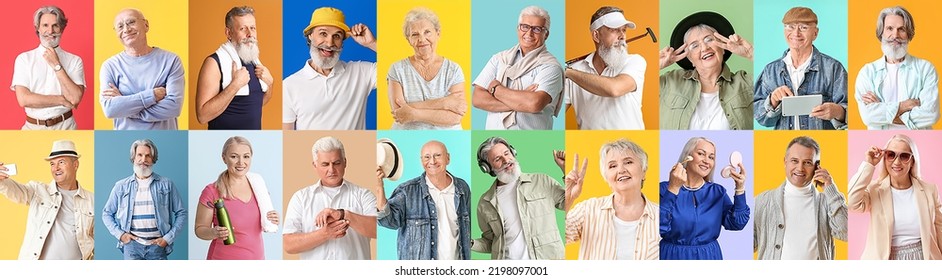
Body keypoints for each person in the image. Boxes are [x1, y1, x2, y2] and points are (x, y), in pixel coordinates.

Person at [471, 137, 571, 259]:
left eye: (507, 153)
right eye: (497, 159)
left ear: (513, 152)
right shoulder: (485, 203)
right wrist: (471, 243)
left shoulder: (542, 181)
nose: (506, 160)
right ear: (488, 168)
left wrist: (566, 170)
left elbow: (571, 203)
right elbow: (492, 242)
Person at [848, 134, 942, 259]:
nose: (897, 162)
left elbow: (940, 229)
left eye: (904, 156)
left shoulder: (929, 190)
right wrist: (868, 164)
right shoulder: (875, 190)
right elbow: (851, 202)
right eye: (891, 155)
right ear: (884, 158)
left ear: (913, 161)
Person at [754, 7, 848, 130]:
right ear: (784, 31)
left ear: (815, 33)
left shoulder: (834, 68)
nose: (796, 33)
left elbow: (855, 113)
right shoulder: (770, 71)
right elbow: (759, 116)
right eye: (790, 27)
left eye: (803, 27)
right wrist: (772, 100)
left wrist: (839, 112)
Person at [282, 137, 377, 260]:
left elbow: (379, 229)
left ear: (345, 162)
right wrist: (324, 234)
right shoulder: (300, 198)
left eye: (336, 163)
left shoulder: (363, 195)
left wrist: (344, 215)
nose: (331, 170)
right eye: (325, 164)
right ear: (315, 165)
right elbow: (288, 244)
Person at [283, 7, 377, 130]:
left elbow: (398, 68)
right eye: (323, 33)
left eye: (337, 36)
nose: (329, 43)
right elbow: (287, 139)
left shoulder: (362, 73)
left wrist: (372, 43)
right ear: (310, 35)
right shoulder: (289, 85)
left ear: (342, 42)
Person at [753, 136, 847, 260]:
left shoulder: (827, 202)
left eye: (807, 162)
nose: (800, 168)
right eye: (794, 161)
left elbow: (846, 232)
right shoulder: (763, 201)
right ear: (785, 162)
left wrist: (831, 190)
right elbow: (746, 244)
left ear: (817, 166)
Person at [375, 140, 471, 260]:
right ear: (421, 161)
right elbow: (388, 220)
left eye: (437, 155)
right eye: (427, 157)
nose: (432, 161)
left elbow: (467, 229)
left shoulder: (462, 188)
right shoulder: (407, 191)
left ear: (448, 158)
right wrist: (379, 187)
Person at [471, 6, 563, 130]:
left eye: (537, 29)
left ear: (546, 34)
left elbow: (534, 103)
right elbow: (477, 99)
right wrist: (521, 101)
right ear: (518, 29)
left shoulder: (551, 67)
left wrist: (496, 90)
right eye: (525, 27)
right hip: (494, 139)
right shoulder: (499, 59)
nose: (529, 33)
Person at [565, 139, 660, 260]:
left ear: (643, 171)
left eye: (628, 162)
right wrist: (568, 199)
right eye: (613, 166)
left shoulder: (661, 216)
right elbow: (555, 236)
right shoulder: (588, 209)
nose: (621, 170)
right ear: (607, 178)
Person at [659, 11, 754, 130]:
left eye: (709, 39)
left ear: (723, 48)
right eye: (694, 46)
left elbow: (775, 82)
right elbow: (634, 89)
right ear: (690, 59)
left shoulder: (745, 83)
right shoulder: (670, 81)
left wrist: (751, 53)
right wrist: (657, 64)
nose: (704, 48)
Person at [0, 140, 93, 260]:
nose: (56, 168)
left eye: (61, 162)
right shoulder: (37, 190)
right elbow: (14, 191)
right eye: (52, 164)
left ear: (75, 165)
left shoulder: (91, 201)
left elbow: (97, 240)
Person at [660, 137, 750, 259]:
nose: (707, 161)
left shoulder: (717, 192)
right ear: (688, 156)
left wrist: (740, 188)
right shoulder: (664, 189)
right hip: (673, 256)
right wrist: (673, 189)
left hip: (709, 256)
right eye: (701, 154)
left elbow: (737, 224)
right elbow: (658, 227)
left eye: (711, 157)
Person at [195, 136, 280, 260]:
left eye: (246, 156)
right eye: (234, 156)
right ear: (224, 158)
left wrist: (273, 218)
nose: (241, 162)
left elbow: (260, 223)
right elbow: (199, 229)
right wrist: (214, 232)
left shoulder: (258, 187)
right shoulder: (212, 191)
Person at [855, 6, 939, 130]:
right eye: (889, 28)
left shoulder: (926, 69)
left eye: (902, 29)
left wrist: (883, 112)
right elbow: (868, 116)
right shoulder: (867, 73)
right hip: (879, 142)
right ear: (881, 32)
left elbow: (931, 114)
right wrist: (903, 106)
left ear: (908, 34)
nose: (895, 35)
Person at [99, 9, 185, 130]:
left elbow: (173, 107)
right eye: (120, 26)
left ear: (146, 25)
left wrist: (125, 108)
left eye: (131, 22)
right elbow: (110, 109)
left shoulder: (171, 61)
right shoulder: (110, 66)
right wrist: (152, 95)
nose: (126, 29)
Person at [101, 139, 186, 260]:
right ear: (134, 158)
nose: (143, 159)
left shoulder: (166, 184)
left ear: (153, 159)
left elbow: (181, 212)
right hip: (132, 247)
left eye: (148, 156)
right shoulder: (121, 186)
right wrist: (121, 235)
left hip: (158, 247)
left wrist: (168, 239)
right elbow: (106, 213)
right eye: (139, 155)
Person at [564, 6, 647, 130]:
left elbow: (614, 89)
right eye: (614, 30)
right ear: (596, 36)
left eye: (623, 30)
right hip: (590, 145)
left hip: (628, 143)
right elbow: (553, 114)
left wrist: (566, 71)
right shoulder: (575, 70)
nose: (622, 36)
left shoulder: (635, 61)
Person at [195, 6, 274, 130]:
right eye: (242, 29)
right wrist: (235, 85)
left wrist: (270, 84)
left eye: (252, 28)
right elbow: (202, 116)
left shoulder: (254, 61)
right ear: (229, 33)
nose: (249, 34)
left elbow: (256, 104)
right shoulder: (213, 63)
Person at [387, 7, 466, 130]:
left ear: (437, 34)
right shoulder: (397, 69)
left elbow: (455, 117)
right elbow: (399, 113)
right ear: (408, 40)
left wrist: (413, 113)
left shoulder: (454, 69)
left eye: (427, 32)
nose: (422, 39)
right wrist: (445, 103)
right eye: (415, 34)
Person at [11, 6, 85, 130]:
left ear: (61, 28)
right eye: (45, 25)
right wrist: (61, 100)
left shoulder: (75, 60)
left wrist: (57, 65)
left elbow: (74, 98)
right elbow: (23, 99)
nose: (50, 31)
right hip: (32, 129)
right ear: (37, 28)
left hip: (66, 126)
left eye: (55, 25)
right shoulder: (24, 59)